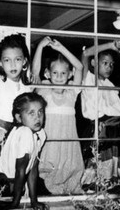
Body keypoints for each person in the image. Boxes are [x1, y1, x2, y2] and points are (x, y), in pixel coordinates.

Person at [32, 36, 84, 195]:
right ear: (48, 73)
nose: (59, 76)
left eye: (63, 73)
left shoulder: (72, 92)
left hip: (69, 140)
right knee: (50, 167)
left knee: (72, 166)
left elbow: (80, 67)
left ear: (69, 74)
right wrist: (41, 46)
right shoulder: (44, 90)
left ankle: (71, 189)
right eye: (55, 72)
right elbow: (34, 72)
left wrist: (61, 49)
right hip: (51, 140)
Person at [80, 41, 120, 190]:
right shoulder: (89, 79)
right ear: (94, 62)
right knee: (96, 171)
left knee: (115, 172)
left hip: (114, 130)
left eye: (111, 64)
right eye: (105, 63)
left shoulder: (110, 85)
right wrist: (110, 46)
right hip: (98, 128)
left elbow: (119, 111)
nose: (109, 67)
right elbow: (85, 53)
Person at [0, 31, 33, 188]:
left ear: (24, 61)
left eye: (17, 59)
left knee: (14, 179)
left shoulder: (28, 86)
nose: (13, 65)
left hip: (16, 137)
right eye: (7, 60)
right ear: (0, 62)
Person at [0, 92, 48, 210]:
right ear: (19, 117)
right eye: (31, 113)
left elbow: (33, 168)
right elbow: (20, 170)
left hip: (17, 184)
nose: (37, 117)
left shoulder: (41, 134)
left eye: (40, 112)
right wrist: (15, 203)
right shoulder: (24, 133)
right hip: (2, 185)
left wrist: (34, 201)